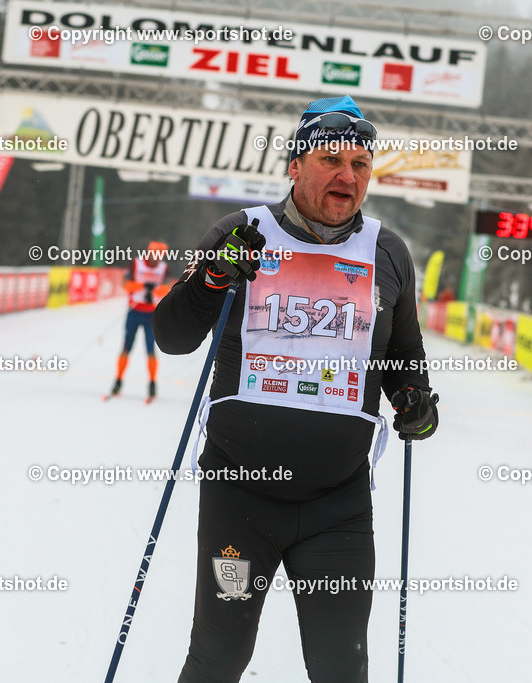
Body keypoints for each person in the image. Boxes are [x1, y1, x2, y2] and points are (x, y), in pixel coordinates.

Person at [152, 95, 439, 682]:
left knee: (341, 668)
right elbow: (173, 336)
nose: (347, 176)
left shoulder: (387, 251)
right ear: (295, 166)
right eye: (331, 159)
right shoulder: (243, 233)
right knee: (217, 659)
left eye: (360, 164)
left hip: (338, 505)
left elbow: (405, 359)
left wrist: (414, 403)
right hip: (240, 497)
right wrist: (214, 277)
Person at [111, 241, 170, 400]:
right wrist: (143, 286)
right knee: (126, 347)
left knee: (150, 349)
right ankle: (118, 380)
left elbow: (167, 289)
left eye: (159, 256)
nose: (155, 259)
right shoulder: (136, 264)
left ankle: (152, 383)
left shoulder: (163, 268)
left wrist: (155, 290)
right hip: (134, 311)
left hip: (151, 314)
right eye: (153, 255)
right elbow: (125, 284)